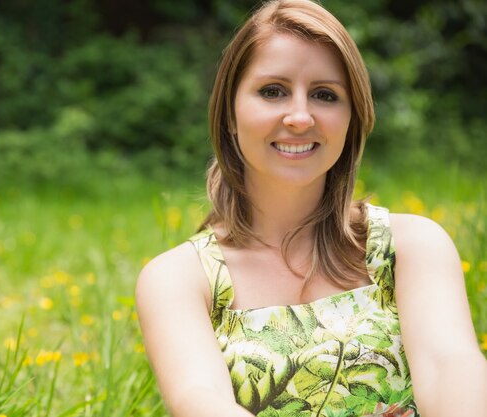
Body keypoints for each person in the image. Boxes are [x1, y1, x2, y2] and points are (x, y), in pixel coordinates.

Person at [135, 0, 487, 416]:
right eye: (273, 91)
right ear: (230, 113)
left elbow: (451, 367)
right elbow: (200, 400)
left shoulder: (412, 249)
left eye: (325, 94)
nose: (300, 117)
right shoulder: (179, 280)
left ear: (352, 117)